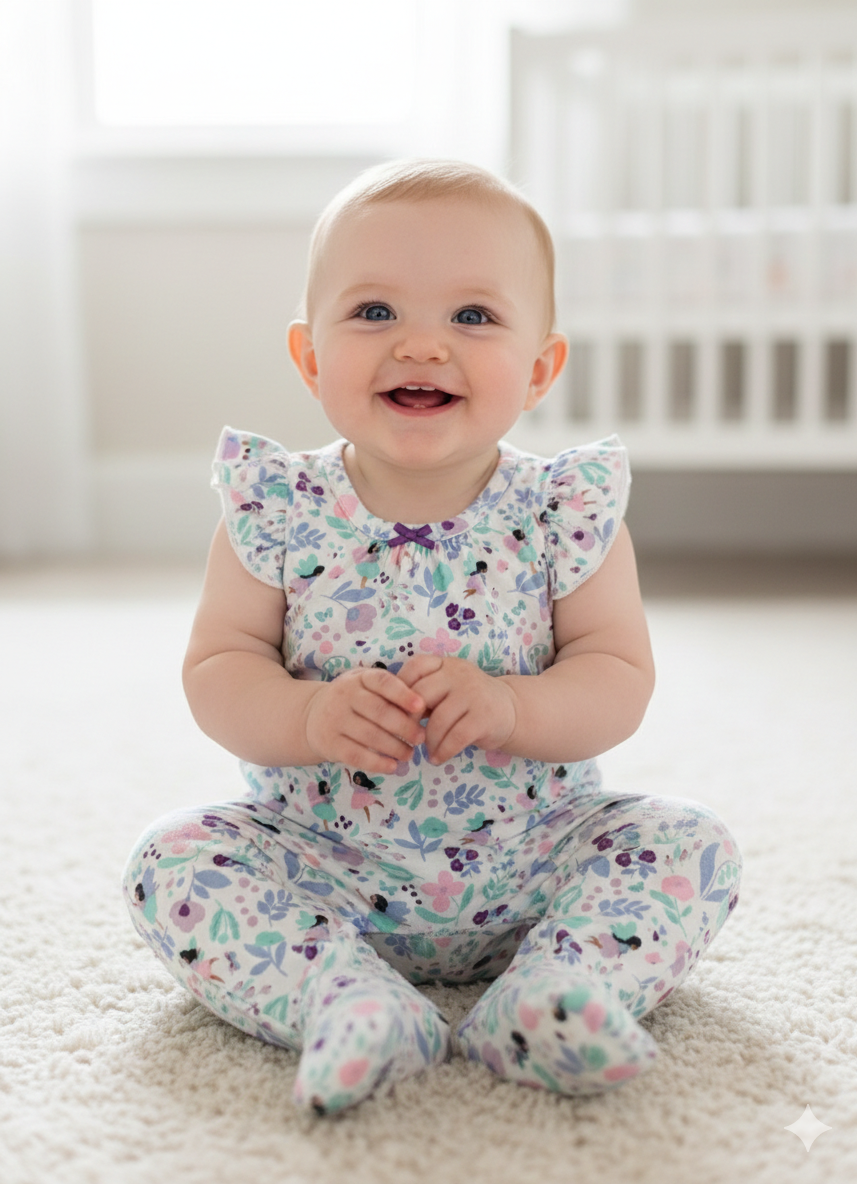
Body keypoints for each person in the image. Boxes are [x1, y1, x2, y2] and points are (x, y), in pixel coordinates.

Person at [123, 159, 742, 1115]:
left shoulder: (560, 514)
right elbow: (217, 670)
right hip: (322, 864)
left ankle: (550, 991)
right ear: (309, 356)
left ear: (540, 368)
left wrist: (513, 704)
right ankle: (348, 998)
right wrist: (309, 712)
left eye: (474, 317)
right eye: (374, 313)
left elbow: (618, 676)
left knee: (690, 843)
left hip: (534, 858)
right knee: (170, 859)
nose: (421, 345)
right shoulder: (277, 509)